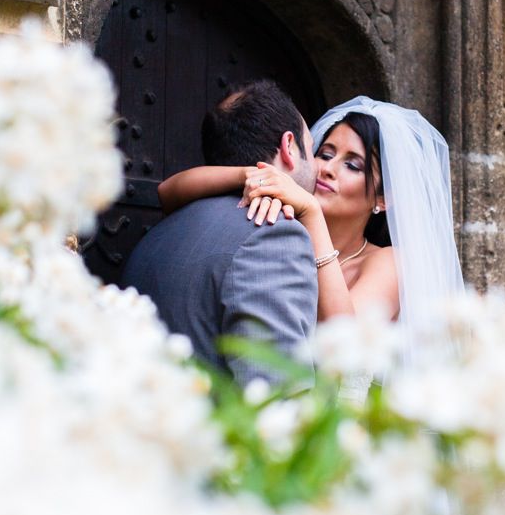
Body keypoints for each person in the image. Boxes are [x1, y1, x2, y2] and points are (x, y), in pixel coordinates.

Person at [157, 95, 463, 345]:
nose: (328, 168)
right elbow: (167, 192)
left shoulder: (390, 262)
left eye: (352, 165)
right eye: (326, 153)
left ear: (383, 199)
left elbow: (343, 342)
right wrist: (251, 173)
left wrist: (312, 214)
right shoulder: (283, 231)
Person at [122, 81, 319, 387]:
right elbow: (279, 398)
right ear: (289, 146)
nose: (320, 167)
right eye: (313, 149)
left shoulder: (157, 235)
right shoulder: (272, 235)